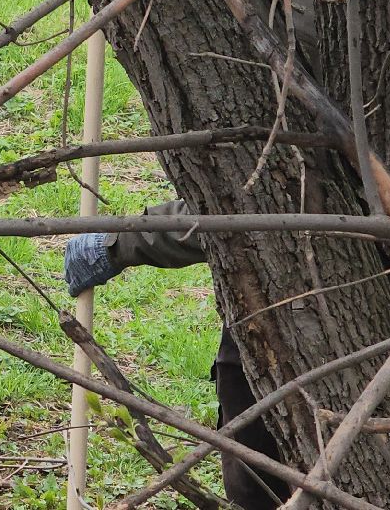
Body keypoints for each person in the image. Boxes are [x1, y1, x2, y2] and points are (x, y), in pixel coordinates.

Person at [66, 208, 290, 510]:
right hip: (256, 332)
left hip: (283, 329)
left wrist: (116, 245)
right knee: (254, 481)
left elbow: (232, 213)